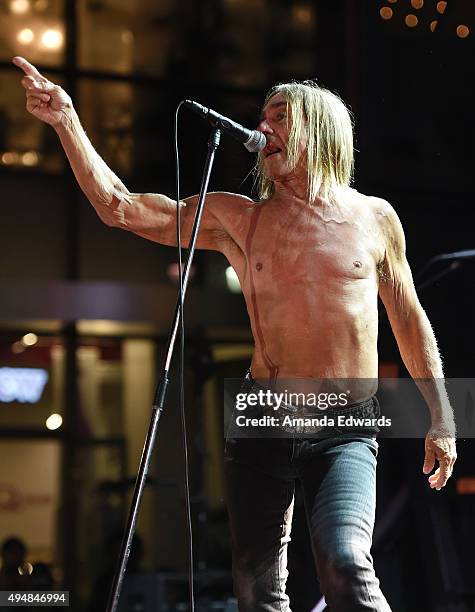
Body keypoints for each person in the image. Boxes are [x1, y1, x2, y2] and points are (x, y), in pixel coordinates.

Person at [13, 56, 457, 611]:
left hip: (344, 423)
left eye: (279, 117)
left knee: (345, 565)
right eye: (262, 117)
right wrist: (67, 122)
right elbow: (121, 208)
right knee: (256, 589)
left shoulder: (375, 219)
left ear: (319, 128)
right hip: (262, 416)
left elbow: (410, 318)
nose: (263, 128)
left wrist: (439, 416)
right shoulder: (240, 219)